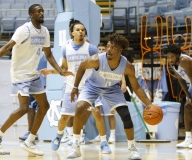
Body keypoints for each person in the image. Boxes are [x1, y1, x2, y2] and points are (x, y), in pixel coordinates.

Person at [0, 4, 73, 156]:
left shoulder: (44, 31)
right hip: (19, 74)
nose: (42, 13)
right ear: (31, 15)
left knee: (44, 106)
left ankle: (30, 140)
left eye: (43, 11)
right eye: (38, 11)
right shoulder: (24, 29)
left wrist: (59, 70)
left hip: (33, 73)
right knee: (24, 108)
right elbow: (8, 47)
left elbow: (49, 55)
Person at [67, 33, 160, 159]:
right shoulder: (97, 59)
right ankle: (76, 146)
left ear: (120, 50)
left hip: (112, 89)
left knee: (126, 115)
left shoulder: (127, 66)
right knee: (79, 107)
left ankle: (132, 149)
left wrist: (149, 105)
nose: (109, 50)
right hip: (93, 86)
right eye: (108, 47)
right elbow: (82, 66)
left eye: (113, 48)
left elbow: (137, 87)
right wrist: (75, 87)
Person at [40, 19, 111, 153]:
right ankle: (59, 135)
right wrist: (50, 71)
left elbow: (99, 67)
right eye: (78, 30)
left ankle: (103, 142)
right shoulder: (66, 48)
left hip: (90, 87)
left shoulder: (91, 48)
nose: (81, 32)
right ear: (72, 33)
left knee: (97, 113)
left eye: (83, 30)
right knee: (65, 117)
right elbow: (64, 68)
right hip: (71, 86)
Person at [18, 52, 47, 141]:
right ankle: (31, 132)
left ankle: (33, 132)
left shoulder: (46, 53)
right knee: (30, 108)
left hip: (41, 84)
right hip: (31, 83)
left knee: (39, 108)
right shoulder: (30, 53)